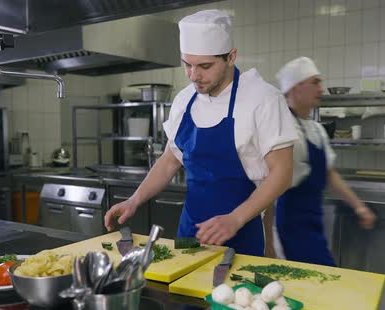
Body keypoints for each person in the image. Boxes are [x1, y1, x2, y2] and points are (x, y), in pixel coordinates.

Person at [104, 10, 298, 256]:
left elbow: (282, 173)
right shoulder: (185, 100)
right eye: (188, 65)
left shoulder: (263, 98)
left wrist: (235, 219)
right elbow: (169, 160)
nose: (194, 76)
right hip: (191, 232)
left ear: (231, 56)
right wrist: (134, 200)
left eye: (205, 66)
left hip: (242, 232)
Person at [273, 56, 376, 265]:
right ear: (295, 89)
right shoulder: (282, 130)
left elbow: (329, 174)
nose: (321, 89)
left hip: (312, 222)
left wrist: (358, 206)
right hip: (288, 227)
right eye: (315, 82)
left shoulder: (316, 129)